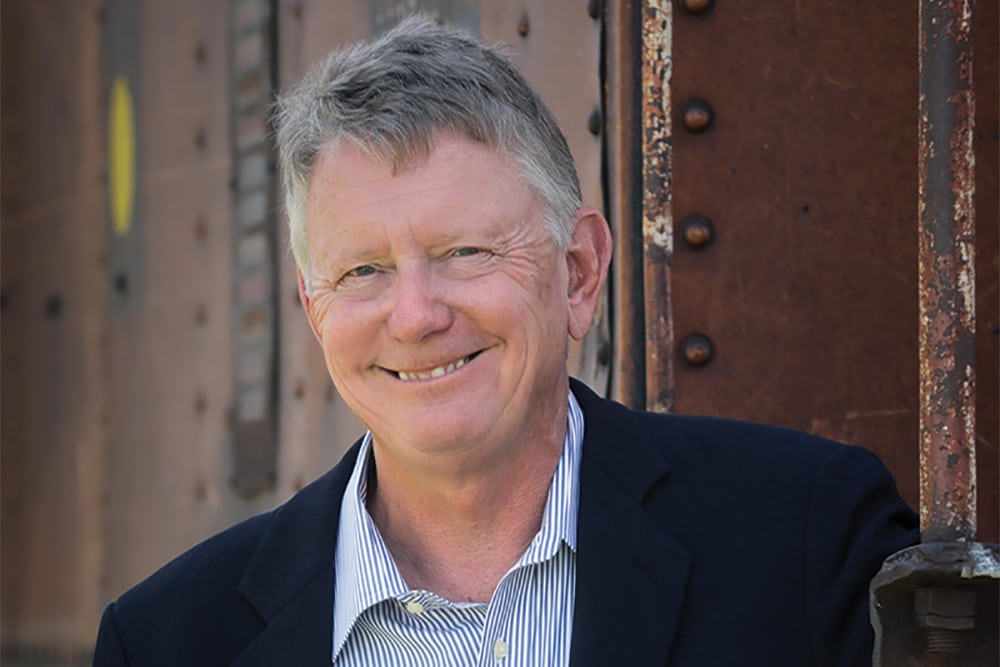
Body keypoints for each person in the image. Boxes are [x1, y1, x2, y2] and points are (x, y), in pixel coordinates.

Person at [93, 16, 918, 667]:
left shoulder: (805, 543)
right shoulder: (167, 640)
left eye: (466, 252)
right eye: (363, 272)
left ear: (579, 272)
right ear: (314, 309)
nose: (415, 315)